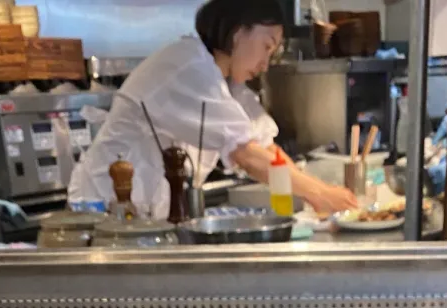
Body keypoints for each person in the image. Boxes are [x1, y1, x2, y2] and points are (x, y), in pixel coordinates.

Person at [68, 0, 358, 218]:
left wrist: (320, 195)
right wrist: (320, 194)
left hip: (145, 216)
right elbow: (247, 155)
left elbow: (268, 152)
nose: (266, 64)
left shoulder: (226, 81)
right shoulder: (188, 67)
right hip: (103, 212)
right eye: (267, 47)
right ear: (237, 33)